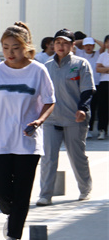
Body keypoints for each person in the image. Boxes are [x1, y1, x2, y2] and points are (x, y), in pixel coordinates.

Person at [0, 22, 55, 240]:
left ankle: (12, 236)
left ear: (26, 47)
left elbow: (49, 101)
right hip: (0, 140)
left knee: (22, 191)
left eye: (16, 48)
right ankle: (13, 214)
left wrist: (39, 121)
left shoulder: (38, 70)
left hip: (28, 142)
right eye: (6, 47)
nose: (11, 52)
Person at [37, 29, 94, 206]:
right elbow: (40, 93)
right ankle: (45, 194)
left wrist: (83, 109)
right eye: (58, 43)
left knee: (77, 156)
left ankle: (85, 189)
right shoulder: (46, 66)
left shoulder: (81, 64)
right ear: (53, 45)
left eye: (65, 43)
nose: (61, 46)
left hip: (74, 118)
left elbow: (88, 90)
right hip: (52, 119)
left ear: (72, 45)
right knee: (48, 157)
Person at [75, 37, 101, 137]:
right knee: (84, 106)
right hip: (83, 85)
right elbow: (73, 43)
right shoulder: (80, 53)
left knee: (93, 107)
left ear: (93, 46)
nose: (88, 47)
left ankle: (92, 128)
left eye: (90, 45)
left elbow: (103, 45)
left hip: (97, 84)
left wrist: (94, 39)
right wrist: (83, 40)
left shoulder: (97, 54)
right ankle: (85, 129)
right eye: (86, 45)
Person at [95, 35, 109, 140]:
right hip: (103, 83)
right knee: (102, 108)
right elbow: (98, 69)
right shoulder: (103, 55)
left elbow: (101, 68)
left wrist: (105, 68)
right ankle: (102, 130)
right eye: (107, 42)